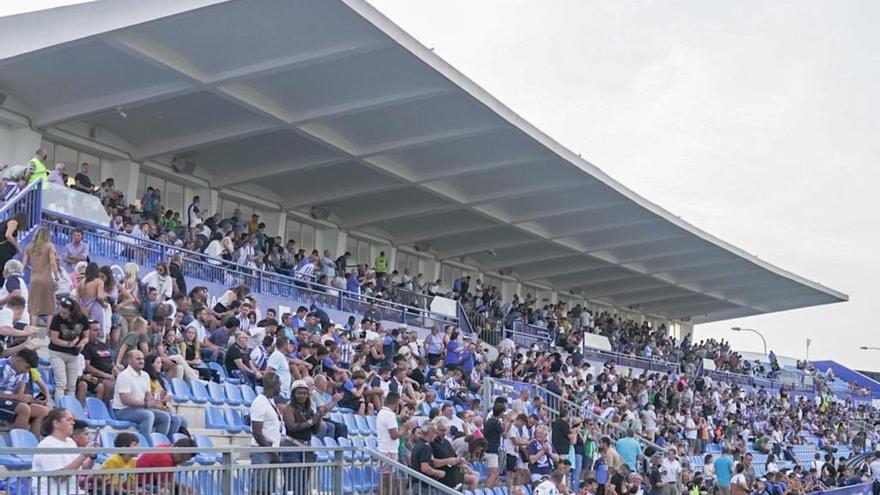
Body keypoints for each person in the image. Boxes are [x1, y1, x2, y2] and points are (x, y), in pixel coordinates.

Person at [31, 407, 95, 495]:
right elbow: (59, 477)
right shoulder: (47, 445)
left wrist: (91, 456)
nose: (73, 423)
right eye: (69, 420)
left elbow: (81, 468)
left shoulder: (70, 441)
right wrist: (83, 455)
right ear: (56, 423)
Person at [112, 350, 173, 438]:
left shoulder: (145, 375)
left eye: (142, 359)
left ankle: (159, 446)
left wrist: (156, 400)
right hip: (123, 410)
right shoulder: (124, 376)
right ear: (130, 361)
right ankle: (144, 445)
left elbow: (148, 395)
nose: (141, 361)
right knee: (148, 415)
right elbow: (126, 400)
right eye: (138, 359)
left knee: (165, 417)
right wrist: (146, 404)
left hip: (140, 408)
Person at [47, 296, 90, 401]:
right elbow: (54, 339)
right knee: (61, 383)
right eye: (61, 312)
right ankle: (59, 408)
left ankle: (69, 409)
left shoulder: (82, 319)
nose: (62, 315)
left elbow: (86, 336)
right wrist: (70, 344)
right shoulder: (57, 319)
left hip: (73, 354)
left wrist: (82, 343)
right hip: (57, 352)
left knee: (71, 385)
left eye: (65, 313)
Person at [250, 372, 286, 493]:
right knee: (260, 489)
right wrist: (271, 452)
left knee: (269, 489)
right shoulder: (259, 402)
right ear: (273, 385)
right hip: (263, 450)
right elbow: (257, 432)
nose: (280, 388)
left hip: (271, 449)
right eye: (279, 385)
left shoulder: (270, 401)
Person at [0, 348, 48, 436]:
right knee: (23, 409)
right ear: (18, 360)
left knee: (43, 411)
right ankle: (20, 445)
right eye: (27, 367)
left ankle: (34, 445)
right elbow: (17, 397)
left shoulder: (24, 372)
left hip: (10, 402)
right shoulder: (1, 366)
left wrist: (31, 401)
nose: (27, 371)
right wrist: (15, 397)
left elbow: (20, 395)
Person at [22, 226, 57, 326]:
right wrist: (57, 277)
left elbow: (23, 265)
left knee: (34, 309)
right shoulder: (50, 246)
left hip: (34, 279)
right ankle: (46, 332)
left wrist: (32, 269)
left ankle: (33, 332)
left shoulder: (29, 247)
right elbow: (53, 263)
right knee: (50, 308)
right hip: (47, 279)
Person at [143, 354, 187, 436]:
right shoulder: (146, 378)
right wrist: (162, 398)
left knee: (183, 420)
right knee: (174, 419)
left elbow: (165, 394)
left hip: (161, 407)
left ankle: (175, 441)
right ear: (151, 365)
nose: (161, 365)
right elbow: (150, 397)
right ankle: (165, 442)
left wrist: (167, 402)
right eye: (158, 363)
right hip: (152, 407)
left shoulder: (159, 380)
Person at [78, 320, 117, 403]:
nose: (99, 332)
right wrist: (105, 375)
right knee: (110, 385)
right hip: (96, 376)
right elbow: (87, 367)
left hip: (109, 374)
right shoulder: (86, 346)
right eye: (95, 330)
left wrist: (116, 370)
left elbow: (111, 362)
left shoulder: (103, 345)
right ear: (87, 332)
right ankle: (105, 409)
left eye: (99, 330)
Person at [0, 212, 25, 287]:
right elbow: (8, 235)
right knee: (5, 268)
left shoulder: (6, 222)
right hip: (4, 251)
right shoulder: (13, 222)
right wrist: (17, 246)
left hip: (4, 250)